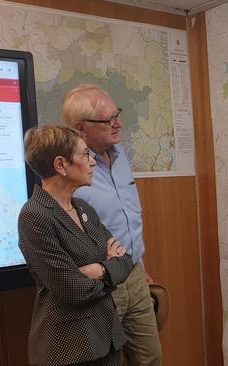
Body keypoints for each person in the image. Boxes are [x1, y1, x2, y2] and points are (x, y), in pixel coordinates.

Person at [61, 85, 163, 366]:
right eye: (108, 120)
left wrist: (140, 265)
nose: (117, 123)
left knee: (150, 358)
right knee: (104, 360)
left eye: (117, 114)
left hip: (135, 275)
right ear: (81, 128)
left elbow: (129, 217)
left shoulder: (120, 156)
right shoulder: (67, 171)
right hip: (102, 284)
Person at [18, 125, 133, 366]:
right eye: (85, 155)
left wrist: (99, 270)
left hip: (107, 338)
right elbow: (73, 290)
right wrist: (109, 268)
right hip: (70, 349)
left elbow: (125, 261)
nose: (92, 162)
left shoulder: (83, 208)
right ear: (61, 165)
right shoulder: (35, 216)